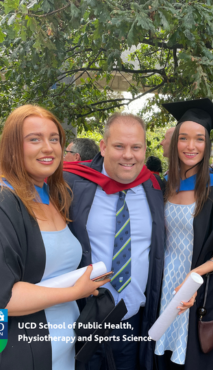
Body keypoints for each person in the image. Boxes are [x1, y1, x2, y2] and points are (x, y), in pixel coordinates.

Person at [0, 105, 109, 370]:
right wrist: (75, 291)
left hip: (63, 349)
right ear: (12, 147)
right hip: (20, 352)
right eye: (35, 139)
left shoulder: (54, 196)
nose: (48, 148)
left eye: (54, 139)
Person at [63, 112, 165, 370]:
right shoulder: (72, 183)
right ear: (103, 146)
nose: (128, 155)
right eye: (119, 146)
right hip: (85, 318)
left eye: (136, 147)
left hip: (132, 323)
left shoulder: (153, 188)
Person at [155, 98, 213, 370]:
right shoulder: (164, 185)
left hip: (198, 289)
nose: (190, 146)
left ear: (208, 144)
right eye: (183, 138)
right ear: (174, 143)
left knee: (192, 358)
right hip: (163, 283)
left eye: (199, 139)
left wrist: (195, 278)